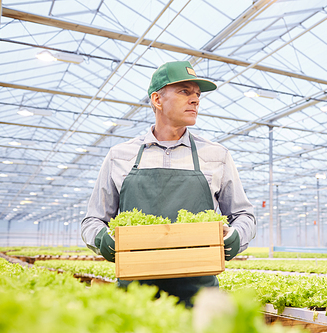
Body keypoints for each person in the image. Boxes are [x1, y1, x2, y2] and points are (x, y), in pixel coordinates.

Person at [81, 60, 256, 306]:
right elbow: (92, 220)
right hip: (135, 299)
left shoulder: (217, 155)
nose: (195, 100)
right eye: (185, 91)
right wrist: (102, 240)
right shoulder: (121, 155)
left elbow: (244, 215)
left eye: (197, 94)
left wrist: (235, 236)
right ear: (157, 100)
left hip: (199, 299)